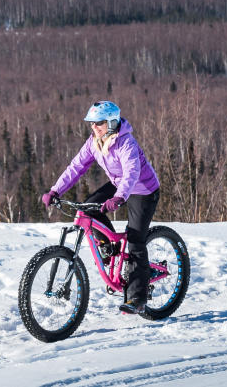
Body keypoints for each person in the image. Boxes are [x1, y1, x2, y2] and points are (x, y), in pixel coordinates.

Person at [41, 100, 161, 316]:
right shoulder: (94, 142)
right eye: (92, 123)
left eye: (99, 123)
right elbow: (76, 167)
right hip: (118, 186)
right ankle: (109, 245)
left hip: (143, 191)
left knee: (135, 241)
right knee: (87, 210)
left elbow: (132, 173)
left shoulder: (126, 143)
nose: (94, 127)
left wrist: (119, 197)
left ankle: (137, 299)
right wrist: (55, 191)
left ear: (112, 122)